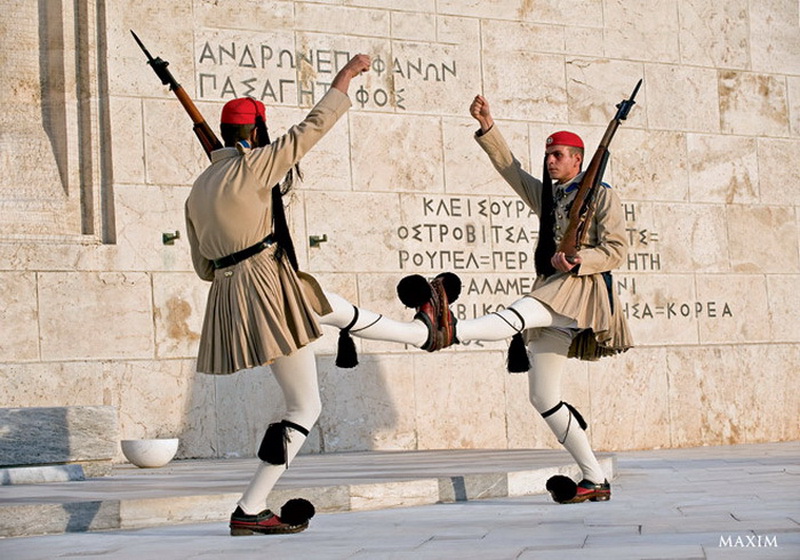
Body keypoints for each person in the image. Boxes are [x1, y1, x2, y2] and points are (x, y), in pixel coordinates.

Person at [185, 54, 438, 536]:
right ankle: (251, 507)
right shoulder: (256, 165)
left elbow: (202, 267)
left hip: (234, 294)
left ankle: (419, 334)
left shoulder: (198, 188)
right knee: (304, 407)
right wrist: (344, 78)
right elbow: (313, 127)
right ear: (256, 132)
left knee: (328, 305)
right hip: (268, 285)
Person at [417, 94, 633, 504]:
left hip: (580, 291)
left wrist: (577, 259)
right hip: (554, 291)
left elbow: (617, 250)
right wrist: (487, 125)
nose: (550, 161)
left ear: (577, 160)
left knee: (518, 312)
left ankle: (450, 328)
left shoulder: (602, 195)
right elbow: (510, 170)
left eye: (558, 155)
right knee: (543, 396)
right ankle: (594, 478)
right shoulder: (550, 197)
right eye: (548, 155)